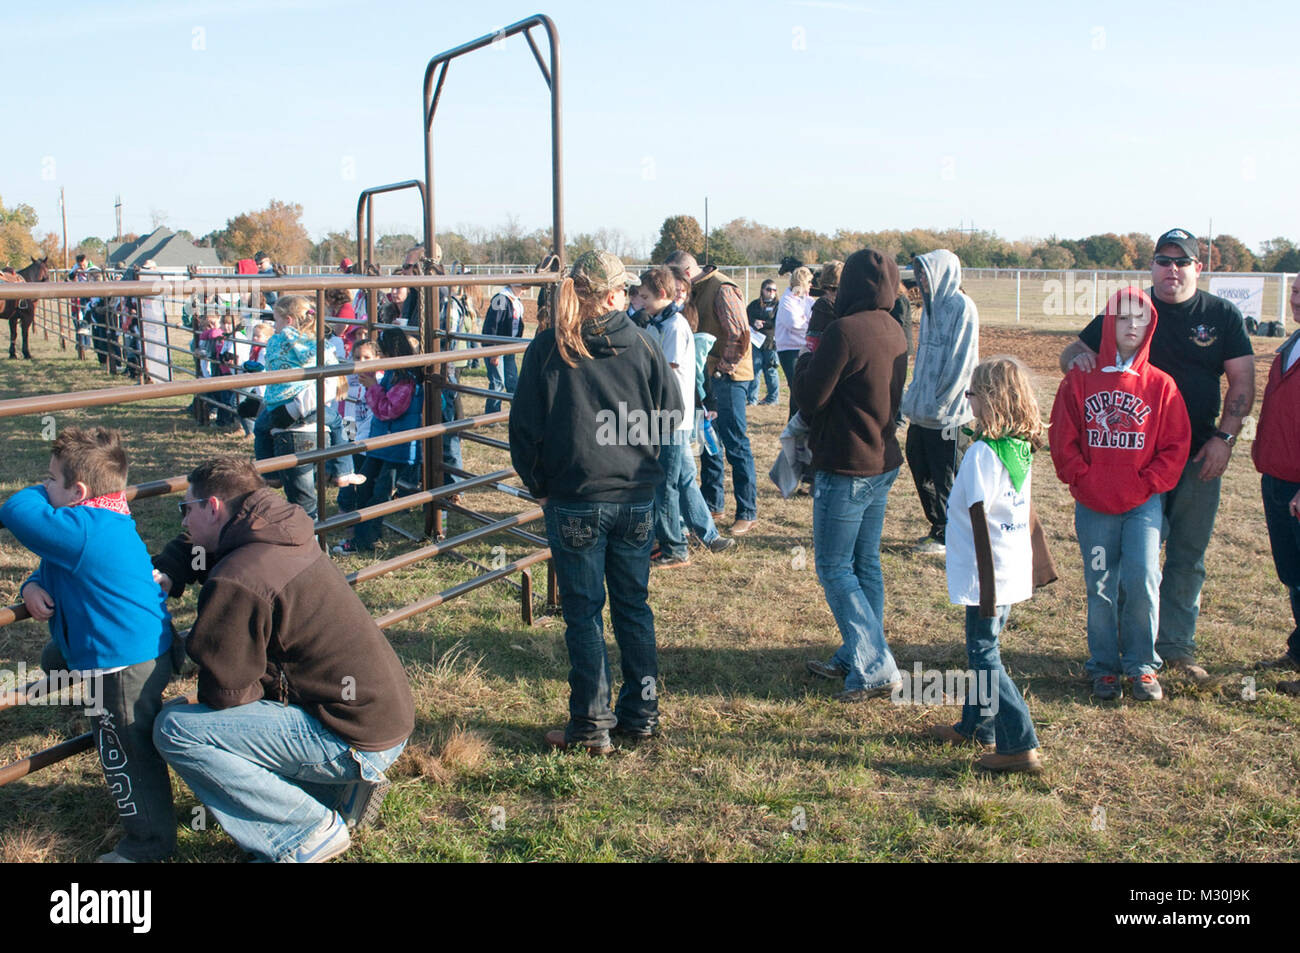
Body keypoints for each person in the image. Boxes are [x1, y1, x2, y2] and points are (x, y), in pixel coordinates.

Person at [151, 456, 414, 863]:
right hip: (382, 720)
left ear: (215, 507)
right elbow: (206, 544)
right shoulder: (281, 529)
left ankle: (304, 832)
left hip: (351, 738)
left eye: (187, 509)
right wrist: (171, 568)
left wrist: (188, 657)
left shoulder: (239, 577)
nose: (183, 521)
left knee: (177, 729)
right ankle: (337, 793)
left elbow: (228, 695)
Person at [1059, 228, 1255, 681]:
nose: (1172, 270)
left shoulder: (1220, 315)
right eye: (1163, 261)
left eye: (1181, 262)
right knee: (1133, 560)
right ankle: (1129, 649)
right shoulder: (1133, 308)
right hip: (1131, 462)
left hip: (1197, 455)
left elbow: (1242, 385)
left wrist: (1224, 440)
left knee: (1186, 553)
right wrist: (1078, 361)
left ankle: (1177, 647)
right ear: (1152, 266)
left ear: (1197, 268)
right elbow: (1074, 352)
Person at [509, 251, 681, 753]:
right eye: (623, 291)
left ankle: (591, 724)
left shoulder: (548, 348)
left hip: (574, 498)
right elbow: (671, 418)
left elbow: (524, 429)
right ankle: (641, 714)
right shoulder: (645, 346)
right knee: (633, 606)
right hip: (632, 498)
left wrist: (539, 482)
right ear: (609, 296)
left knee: (583, 612)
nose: (628, 298)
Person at [1, 427, 176, 862]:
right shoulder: (103, 518)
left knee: (125, 752)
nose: (42, 486)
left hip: (119, 665)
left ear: (78, 491)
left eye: (49, 479)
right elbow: (56, 560)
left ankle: (148, 845)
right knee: (53, 659)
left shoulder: (83, 529)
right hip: (133, 647)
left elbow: (15, 508)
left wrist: (33, 494)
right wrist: (32, 584)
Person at [1050, 288, 1191, 701]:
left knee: (1143, 579)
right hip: (1094, 506)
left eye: (1140, 319)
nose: (1132, 326)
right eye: (1123, 317)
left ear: (1150, 326)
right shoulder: (1080, 377)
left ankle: (1142, 666)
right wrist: (1083, 479)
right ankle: (1104, 667)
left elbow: (1175, 447)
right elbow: (1063, 438)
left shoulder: (1161, 385)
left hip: (1142, 507)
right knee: (1100, 586)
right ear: (1108, 322)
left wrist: (1145, 484)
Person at [794, 249, 908, 702]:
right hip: (882, 460)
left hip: (847, 463)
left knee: (835, 567)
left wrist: (806, 358)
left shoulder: (844, 330)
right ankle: (858, 651)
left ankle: (875, 666)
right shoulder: (895, 328)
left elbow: (810, 398)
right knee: (865, 564)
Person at [931, 356, 1045, 774]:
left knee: (983, 654)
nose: (968, 399)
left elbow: (978, 516)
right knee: (985, 648)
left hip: (988, 576)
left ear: (992, 400)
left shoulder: (982, 453)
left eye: (973, 393)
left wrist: (985, 589)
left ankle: (1019, 742)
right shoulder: (1018, 447)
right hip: (1008, 568)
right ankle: (976, 726)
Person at [635, 265, 734, 567]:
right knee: (683, 477)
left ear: (661, 294)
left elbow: (667, 368)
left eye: (644, 296)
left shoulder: (674, 326)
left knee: (665, 484)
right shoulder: (656, 322)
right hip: (661, 416)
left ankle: (674, 547)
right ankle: (706, 535)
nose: (640, 301)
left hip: (671, 418)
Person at [666, 251, 758, 536]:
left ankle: (747, 510)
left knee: (735, 444)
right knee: (708, 442)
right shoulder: (696, 290)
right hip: (706, 376)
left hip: (728, 377)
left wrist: (722, 368)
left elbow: (739, 333)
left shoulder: (721, 288)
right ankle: (712, 502)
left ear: (688, 271)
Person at [901, 249, 979, 556]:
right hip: (922, 413)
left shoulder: (963, 307)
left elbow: (962, 363)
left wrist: (941, 403)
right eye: (919, 272)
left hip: (950, 416)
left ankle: (953, 535)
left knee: (947, 475)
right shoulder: (931, 308)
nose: (921, 279)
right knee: (919, 466)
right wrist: (915, 397)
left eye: (925, 272)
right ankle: (938, 527)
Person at [1252, 272, 1300, 693]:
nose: (1299, 301)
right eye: (1297, 292)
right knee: (1292, 571)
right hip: (1277, 476)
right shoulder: (1289, 346)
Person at [334, 329, 423, 554]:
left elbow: (387, 410)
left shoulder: (406, 381)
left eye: (382, 353)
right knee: (365, 489)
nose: (381, 358)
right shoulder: (393, 376)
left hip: (397, 446)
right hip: (381, 443)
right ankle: (366, 535)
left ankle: (364, 541)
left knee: (380, 495)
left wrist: (372, 386)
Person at [482, 282, 526, 414]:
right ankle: (492, 415)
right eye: (522, 287)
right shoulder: (500, 298)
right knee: (498, 382)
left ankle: (518, 413)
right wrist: (493, 350)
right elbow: (492, 324)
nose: (523, 291)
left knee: (513, 381)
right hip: (498, 347)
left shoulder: (516, 301)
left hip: (509, 347)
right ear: (513, 285)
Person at [774, 267, 814, 406]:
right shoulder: (787, 300)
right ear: (802, 282)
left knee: (800, 388)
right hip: (789, 350)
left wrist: (806, 322)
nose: (811, 285)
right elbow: (794, 323)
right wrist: (808, 325)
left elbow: (814, 319)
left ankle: (794, 420)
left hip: (804, 347)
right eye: (809, 282)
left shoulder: (807, 300)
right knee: (796, 387)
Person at [746, 278, 781, 405]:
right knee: (755, 370)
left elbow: (779, 321)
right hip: (755, 342)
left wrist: (764, 324)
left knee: (771, 371)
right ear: (762, 290)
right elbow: (745, 317)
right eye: (769, 289)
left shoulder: (779, 305)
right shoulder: (755, 305)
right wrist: (753, 322)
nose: (772, 292)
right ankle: (752, 399)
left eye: (774, 290)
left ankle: (773, 398)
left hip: (771, 342)